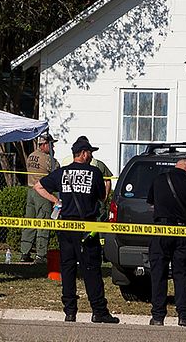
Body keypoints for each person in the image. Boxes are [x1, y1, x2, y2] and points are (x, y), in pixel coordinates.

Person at [34, 136, 119, 324]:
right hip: (87, 227)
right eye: (90, 152)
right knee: (91, 270)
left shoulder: (61, 172)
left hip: (65, 227)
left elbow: (38, 186)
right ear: (83, 153)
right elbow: (101, 198)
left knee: (68, 268)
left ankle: (70, 312)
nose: (91, 156)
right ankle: (99, 311)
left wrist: (56, 201)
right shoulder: (94, 173)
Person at [147, 158, 186, 327]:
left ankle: (158, 316)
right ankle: (184, 316)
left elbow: (151, 203)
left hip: (161, 230)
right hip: (183, 231)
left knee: (158, 273)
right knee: (181, 274)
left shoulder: (159, 179)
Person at [20, 132, 60, 263]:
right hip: (43, 193)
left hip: (30, 191)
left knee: (29, 223)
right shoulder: (49, 160)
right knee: (43, 223)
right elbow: (56, 173)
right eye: (51, 145)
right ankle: (40, 255)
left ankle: (24, 252)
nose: (53, 148)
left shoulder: (31, 156)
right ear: (44, 145)